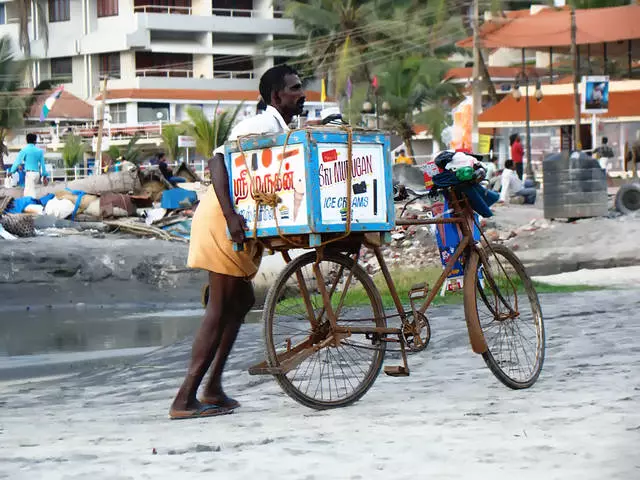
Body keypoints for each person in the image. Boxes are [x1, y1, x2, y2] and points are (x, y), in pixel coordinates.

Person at [170, 64, 306, 420]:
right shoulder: (260, 123)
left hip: (236, 221)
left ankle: (212, 387)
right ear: (276, 96)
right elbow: (218, 160)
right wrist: (231, 216)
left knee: (242, 299)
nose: (301, 94)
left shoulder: (280, 128)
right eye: (294, 88)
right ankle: (184, 399)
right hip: (222, 218)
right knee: (219, 307)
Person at [9, 133, 48, 198]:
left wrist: (11, 171)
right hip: (37, 174)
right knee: (29, 191)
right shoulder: (40, 151)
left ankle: (32, 204)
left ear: (26, 140)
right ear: (35, 141)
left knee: (30, 192)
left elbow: (17, 162)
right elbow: (43, 165)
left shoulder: (24, 150)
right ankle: (31, 204)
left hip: (30, 174)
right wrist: (44, 176)